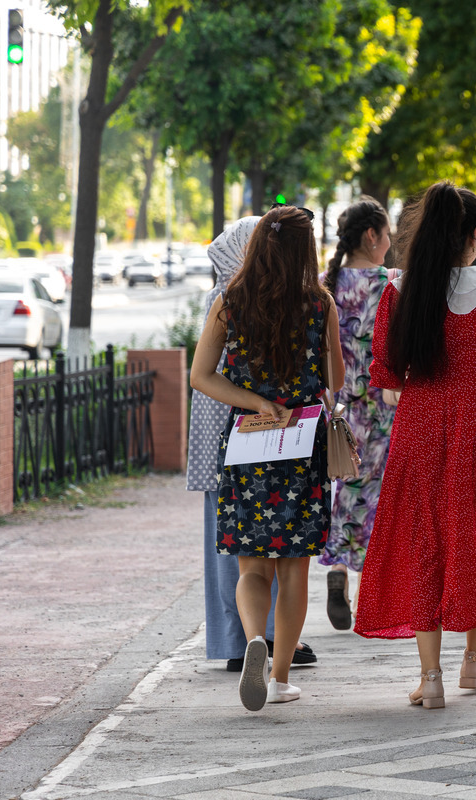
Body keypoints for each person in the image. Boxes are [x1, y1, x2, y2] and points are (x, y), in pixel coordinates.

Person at [354, 182, 476, 711]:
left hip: (418, 430)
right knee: (475, 539)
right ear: (475, 236)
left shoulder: (399, 292)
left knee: (424, 542)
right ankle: (473, 662)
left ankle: (431, 679)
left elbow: (386, 376)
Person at [190, 205, 342, 711]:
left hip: (246, 449)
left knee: (252, 567)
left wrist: (255, 402)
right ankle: (279, 677)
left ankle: (254, 638)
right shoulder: (319, 304)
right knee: (295, 567)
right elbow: (335, 376)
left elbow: (201, 376)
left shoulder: (230, 302)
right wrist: (308, 399)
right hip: (300, 448)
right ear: (307, 250)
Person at [318, 197, 397, 630]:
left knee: (345, 490)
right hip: (383, 406)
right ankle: (371, 590)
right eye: (386, 235)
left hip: (338, 408)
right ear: (372, 235)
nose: (389, 243)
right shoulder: (389, 283)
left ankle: (338, 572)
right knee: (379, 497)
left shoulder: (323, 282)